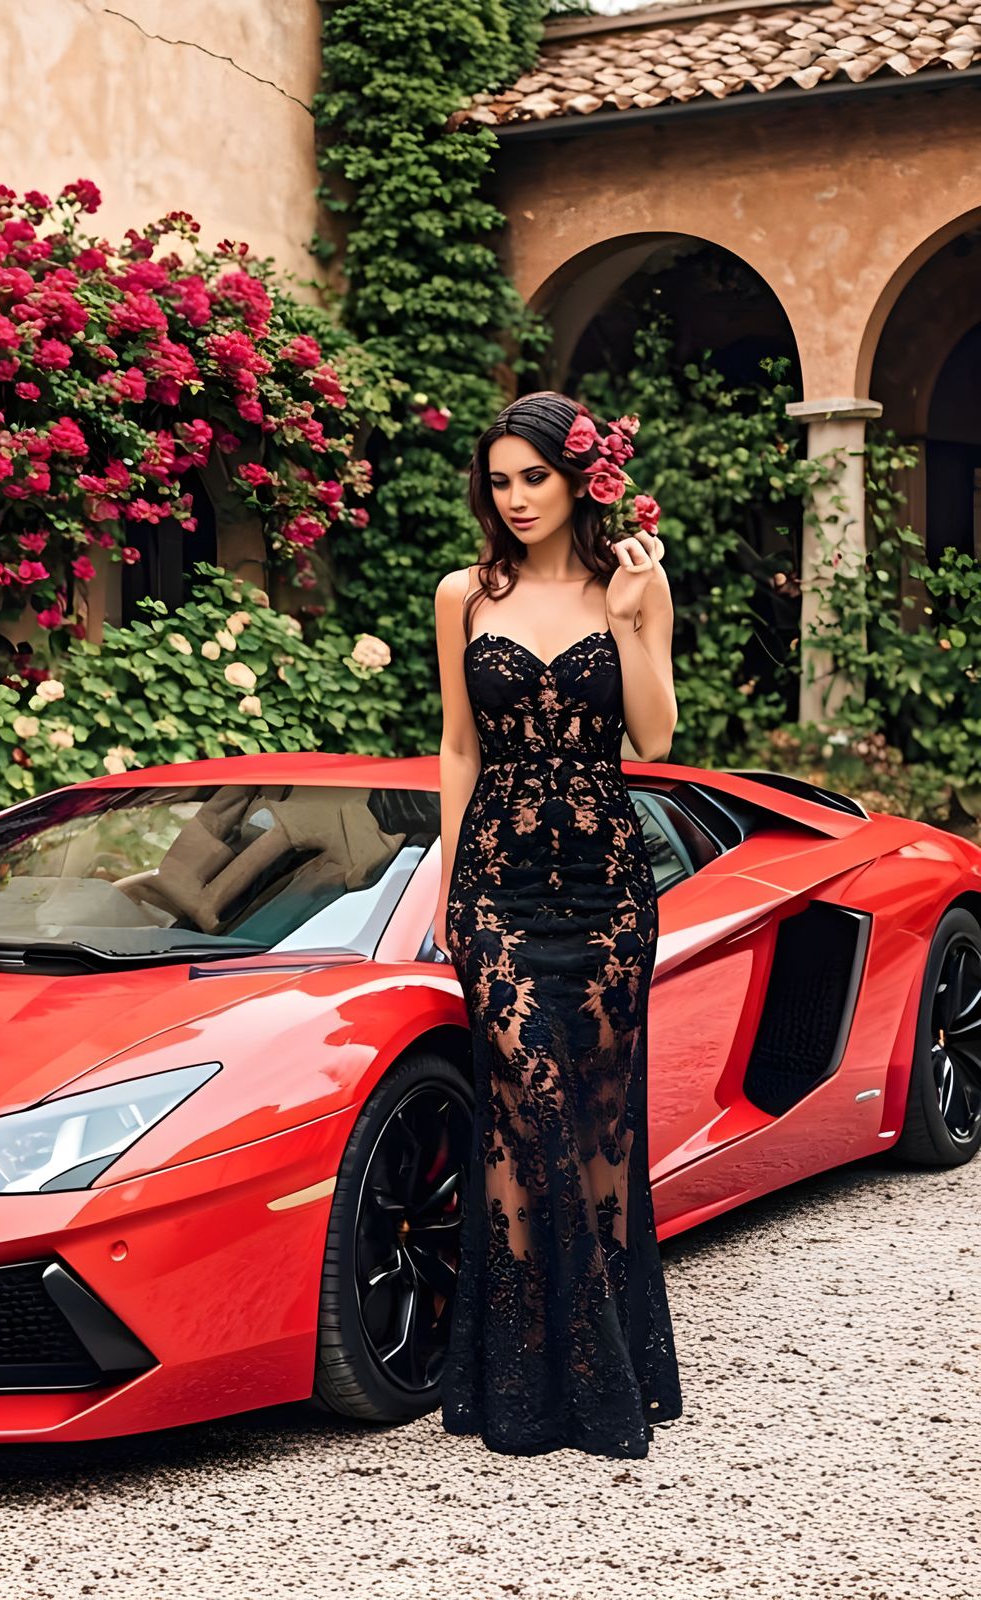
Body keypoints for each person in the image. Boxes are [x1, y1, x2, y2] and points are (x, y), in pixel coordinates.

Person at [430, 389, 684, 1459]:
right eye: (499, 479)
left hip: (605, 890)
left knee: (595, 1127)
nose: (516, 496)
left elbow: (657, 738)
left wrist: (632, 619)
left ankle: (589, 1366)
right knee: (523, 1108)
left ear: (581, 475)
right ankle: (532, 1380)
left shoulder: (631, 583)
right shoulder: (461, 593)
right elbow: (456, 747)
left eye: (533, 475)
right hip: (497, 892)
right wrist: (450, 897)